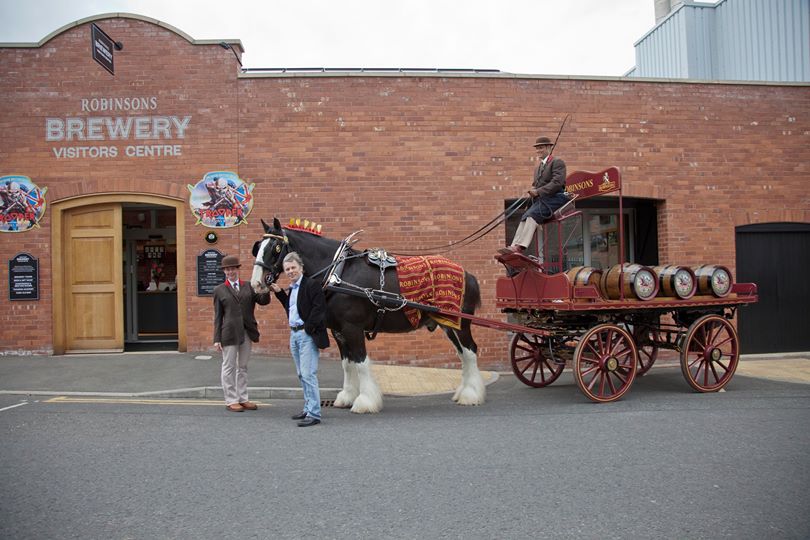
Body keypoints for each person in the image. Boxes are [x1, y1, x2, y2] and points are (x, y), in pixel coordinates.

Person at [269, 252, 329, 427]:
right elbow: (292, 310)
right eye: (287, 269)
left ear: (301, 268)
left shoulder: (311, 285)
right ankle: (308, 407)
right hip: (294, 334)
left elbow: (319, 309)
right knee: (301, 374)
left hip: (306, 335)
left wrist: (308, 328)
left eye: (293, 267)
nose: (290, 271)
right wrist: (280, 294)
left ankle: (314, 413)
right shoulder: (294, 287)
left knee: (308, 374)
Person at [213, 254, 271, 412]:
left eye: (233, 268)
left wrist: (265, 288)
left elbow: (263, 301)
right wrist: (216, 338)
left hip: (247, 331)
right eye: (227, 269)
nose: (230, 271)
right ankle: (231, 400)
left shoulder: (248, 286)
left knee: (243, 367)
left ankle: (243, 398)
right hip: (229, 333)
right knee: (229, 367)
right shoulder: (219, 290)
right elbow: (218, 316)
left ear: (238, 269)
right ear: (224, 271)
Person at [501, 136, 570, 259]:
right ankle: (514, 245)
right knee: (525, 216)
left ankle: (521, 247)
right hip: (543, 200)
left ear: (549, 147)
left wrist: (538, 191)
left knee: (532, 215)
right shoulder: (538, 168)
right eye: (537, 148)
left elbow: (557, 182)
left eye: (541, 148)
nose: (538, 151)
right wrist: (533, 190)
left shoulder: (557, 162)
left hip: (556, 198)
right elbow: (536, 185)